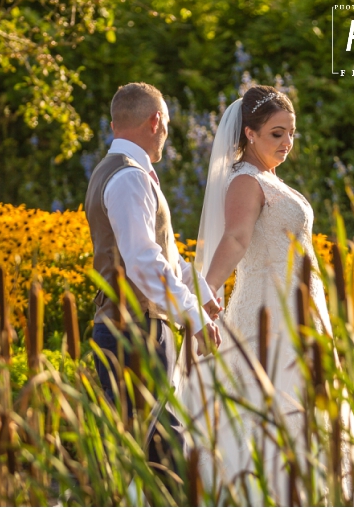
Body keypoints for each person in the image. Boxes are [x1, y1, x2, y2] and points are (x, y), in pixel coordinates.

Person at [173, 85, 354, 505]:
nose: (286, 143)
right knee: (272, 406)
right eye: (276, 134)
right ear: (249, 134)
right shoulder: (246, 181)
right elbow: (234, 239)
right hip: (269, 313)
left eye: (291, 134)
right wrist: (202, 294)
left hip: (301, 312)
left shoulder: (269, 178)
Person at [84, 82, 223, 478]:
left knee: (149, 448)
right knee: (161, 452)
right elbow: (144, 263)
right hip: (135, 331)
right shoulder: (130, 178)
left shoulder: (118, 172)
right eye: (168, 125)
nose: (167, 134)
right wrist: (192, 315)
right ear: (155, 121)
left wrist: (202, 294)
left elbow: (166, 257)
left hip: (132, 328)